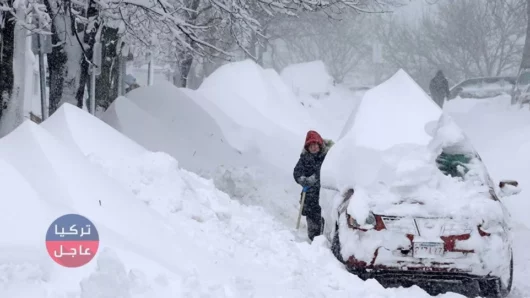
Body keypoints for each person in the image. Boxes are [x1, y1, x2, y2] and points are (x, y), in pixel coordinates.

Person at [293, 130, 333, 241]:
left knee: (326, 220)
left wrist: (315, 177)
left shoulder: (328, 156)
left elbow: (328, 171)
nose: (313, 148)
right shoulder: (305, 158)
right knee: (313, 221)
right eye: (310, 146)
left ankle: (326, 242)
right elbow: (297, 172)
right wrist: (301, 179)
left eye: (315, 145)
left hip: (325, 194)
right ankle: (313, 243)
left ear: (319, 144)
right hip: (310, 196)